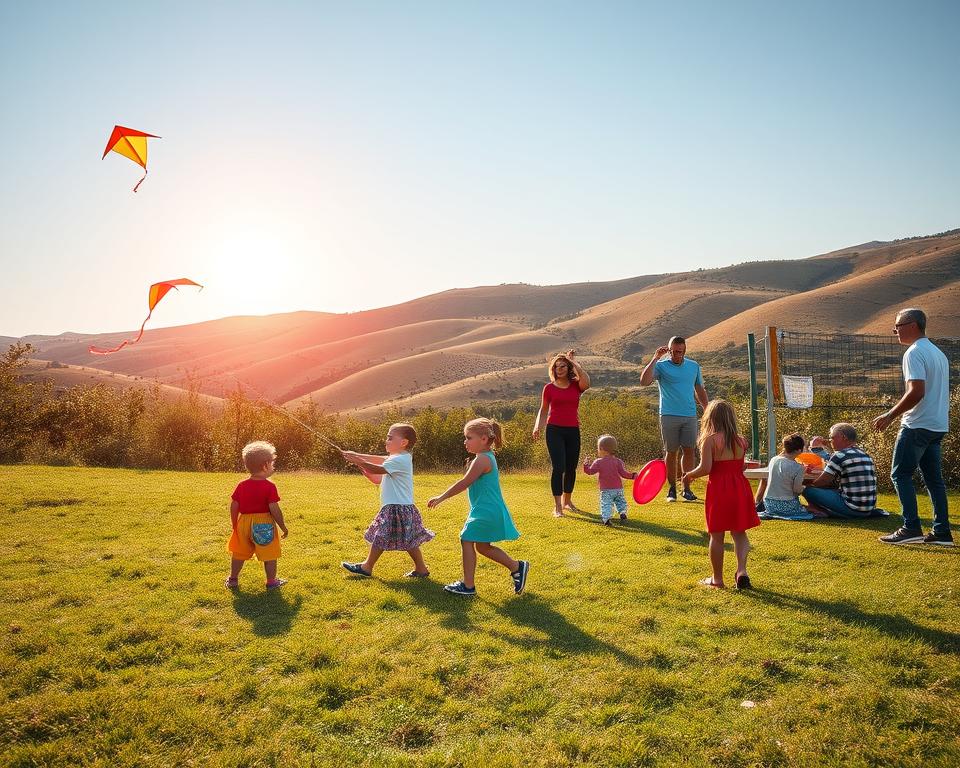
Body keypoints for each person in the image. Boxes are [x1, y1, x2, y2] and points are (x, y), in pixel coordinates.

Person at [873, 308, 953, 545]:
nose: (895, 330)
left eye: (897, 325)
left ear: (912, 325)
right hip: (937, 425)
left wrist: (890, 414)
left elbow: (916, 391)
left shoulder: (914, 352)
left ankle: (911, 528)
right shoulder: (938, 353)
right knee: (934, 481)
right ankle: (942, 532)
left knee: (900, 474)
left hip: (917, 424)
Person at [428, 418, 529, 596]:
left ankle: (468, 586)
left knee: (466, 538)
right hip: (487, 509)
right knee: (482, 546)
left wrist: (441, 497)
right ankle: (517, 567)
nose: (465, 441)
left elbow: (464, 482)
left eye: (469, 437)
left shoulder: (482, 459)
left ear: (483, 439)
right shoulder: (484, 457)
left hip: (486, 510)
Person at [681, 400, 759, 589]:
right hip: (740, 488)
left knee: (717, 536)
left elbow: (706, 468)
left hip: (719, 490)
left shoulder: (710, 440)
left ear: (710, 418)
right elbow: (740, 467)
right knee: (739, 533)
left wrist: (688, 475)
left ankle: (717, 580)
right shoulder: (741, 441)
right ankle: (742, 571)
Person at [340, 423, 435, 577]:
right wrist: (357, 457)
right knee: (409, 540)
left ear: (403, 442)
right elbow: (377, 473)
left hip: (396, 508)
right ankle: (421, 569)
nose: (386, 441)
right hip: (400, 507)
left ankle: (367, 567)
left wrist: (357, 459)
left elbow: (375, 467)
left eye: (390, 438)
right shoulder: (397, 458)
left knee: (381, 535)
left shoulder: (400, 459)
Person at [640, 336, 709, 503]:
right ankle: (671, 488)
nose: (677, 354)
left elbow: (699, 388)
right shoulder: (661, 366)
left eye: (680, 351)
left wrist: (707, 409)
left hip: (690, 415)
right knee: (671, 452)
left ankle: (686, 488)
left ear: (685, 350)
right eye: (674, 351)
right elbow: (644, 381)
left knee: (689, 450)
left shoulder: (693, 366)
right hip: (669, 414)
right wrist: (655, 358)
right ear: (669, 350)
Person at [532, 350, 591, 518]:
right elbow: (543, 411)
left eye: (563, 366)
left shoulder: (575, 385)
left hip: (573, 430)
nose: (559, 369)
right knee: (559, 467)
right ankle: (557, 507)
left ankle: (567, 502)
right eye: (556, 367)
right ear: (553, 369)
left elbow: (587, 382)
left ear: (568, 367)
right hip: (554, 430)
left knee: (571, 468)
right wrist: (537, 426)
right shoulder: (549, 388)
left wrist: (574, 362)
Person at [225, 441, 289, 590]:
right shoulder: (269, 486)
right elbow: (274, 509)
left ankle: (233, 579)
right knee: (269, 554)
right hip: (264, 523)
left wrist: (235, 524)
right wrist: (282, 526)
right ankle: (271, 582)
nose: (273, 467)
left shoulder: (241, 485)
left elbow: (234, 505)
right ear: (265, 465)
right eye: (272, 463)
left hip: (244, 522)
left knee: (239, 553)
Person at [801, 424, 878, 518]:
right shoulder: (864, 454)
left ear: (843, 437)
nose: (830, 440)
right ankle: (822, 510)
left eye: (832, 438)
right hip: (868, 509)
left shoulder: (840, 455)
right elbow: (833, 464)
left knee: (806, 489)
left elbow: (822, 482)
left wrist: (806, 484)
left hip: (852, 508)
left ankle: (819, 511)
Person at [583, 434, 637, 525]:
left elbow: (590, 472)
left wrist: (586, 465)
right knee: (620, 501)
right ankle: (623, 512)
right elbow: (624, 474)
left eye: (598, 448)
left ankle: (606, 519)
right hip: (618, 489)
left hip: (606, 490)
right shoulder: (618, 461)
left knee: (606, 504)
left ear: (602, 449)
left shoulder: (598, 462)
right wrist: (633, 476)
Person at [758, 433, 813, 521]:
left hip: (768, 504)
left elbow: (784, 473)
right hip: (786, 505)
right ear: (799, 450)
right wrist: (806, 487)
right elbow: (797, 490)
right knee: (814, 510)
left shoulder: (774, 460)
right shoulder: (798, 468)